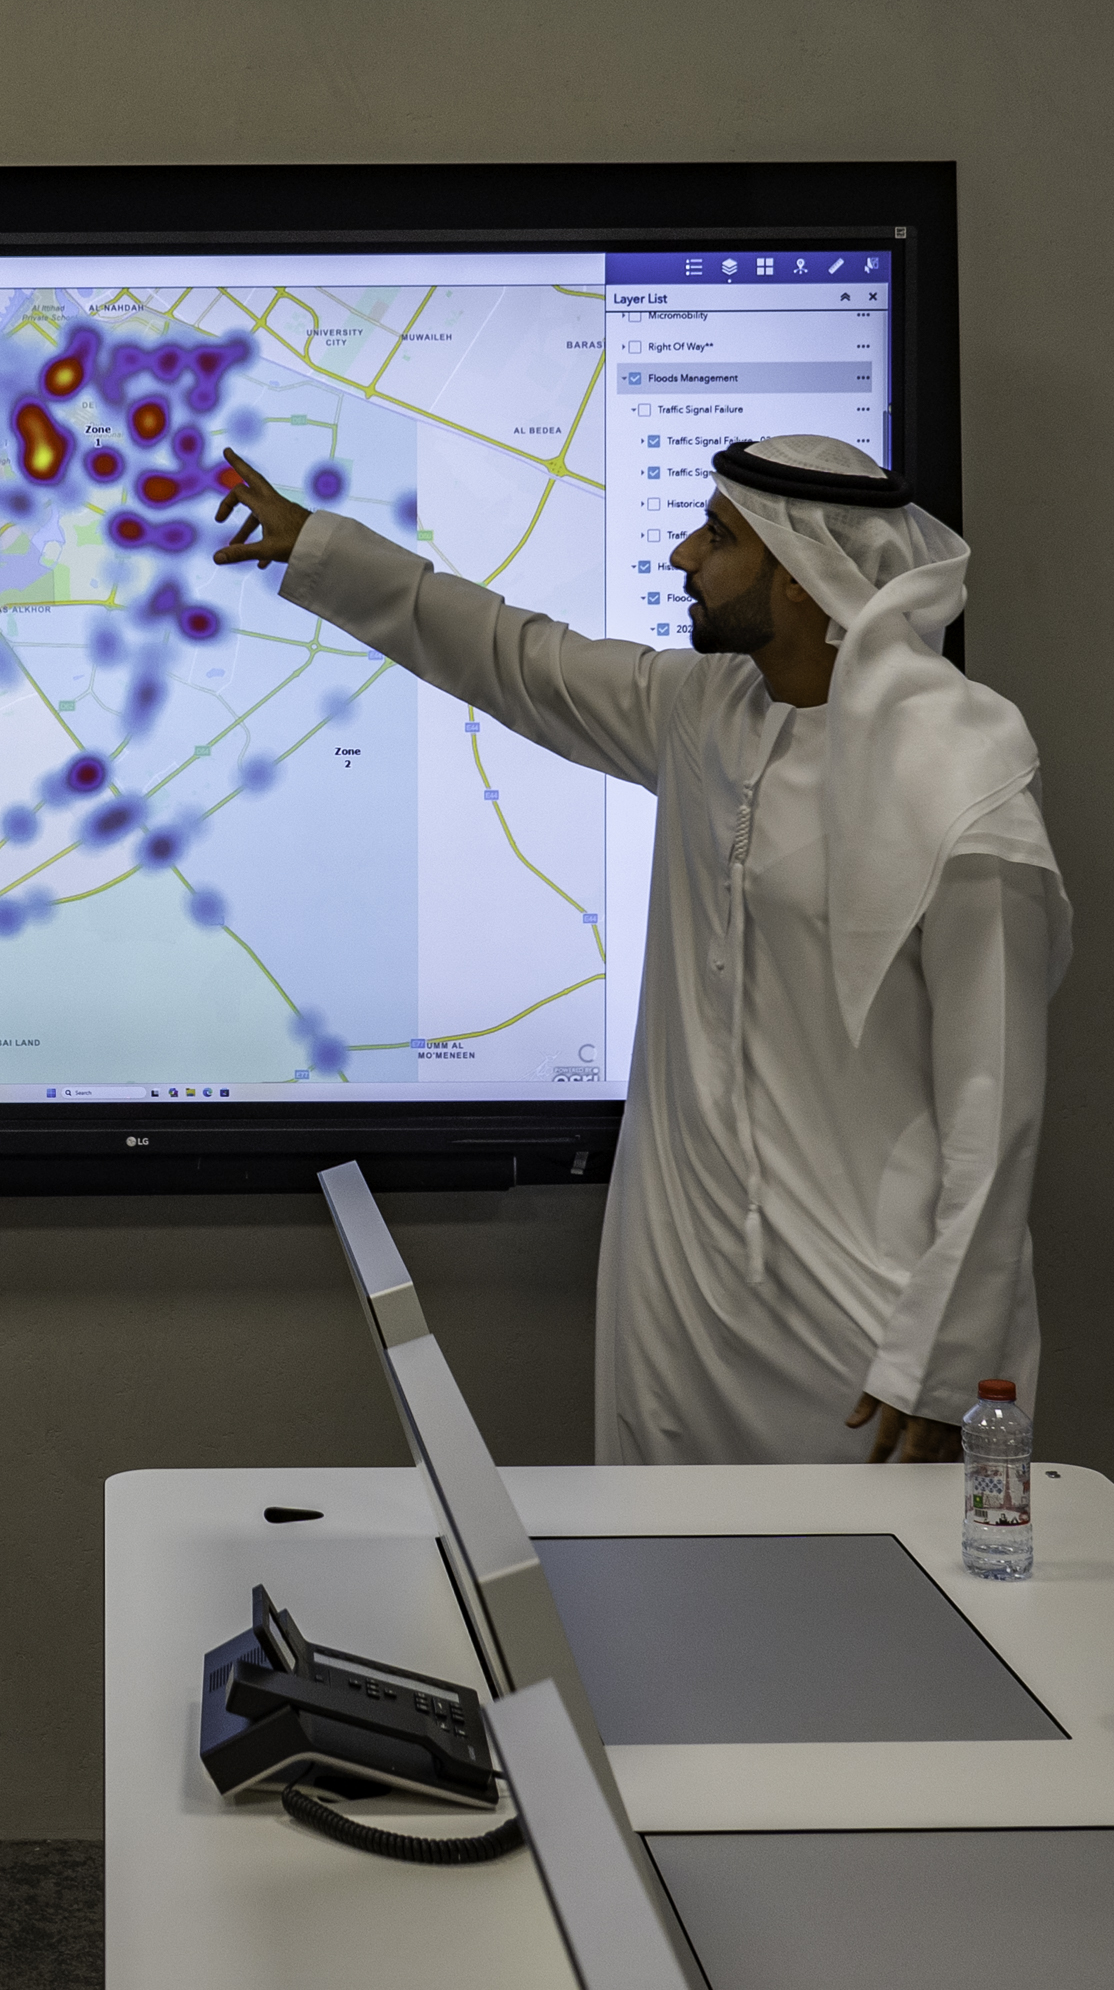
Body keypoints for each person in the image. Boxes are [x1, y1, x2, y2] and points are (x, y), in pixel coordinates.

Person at [215, 435, 1066, 1466]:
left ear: (801, 579)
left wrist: (943, 1359)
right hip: (688, 1304)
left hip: (868, 1337)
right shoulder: (701, 711)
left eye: (716, 536)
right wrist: (321, 550)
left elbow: (996, 1098)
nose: (680, 557)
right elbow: (511, 654)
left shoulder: (960, 774)